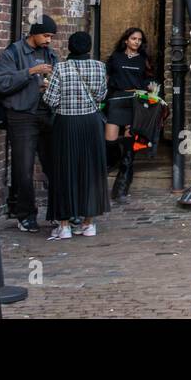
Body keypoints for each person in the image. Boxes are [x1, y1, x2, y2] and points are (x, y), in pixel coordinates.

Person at [0, 15, 59, 232]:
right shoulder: (13, 52)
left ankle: (58, 213)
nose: (49, 40)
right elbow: (2, 83)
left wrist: (48, 86)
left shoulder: (50, 54)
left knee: (54, 165)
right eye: (45, 35)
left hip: (46, 113)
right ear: (33, 33)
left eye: (51, 36)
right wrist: (31, 72)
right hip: (22, 116)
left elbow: (56, 80)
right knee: (23, 168)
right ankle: (26, 215)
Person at [42, 32, 110, 239]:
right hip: (91, 123)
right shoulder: (99, 67)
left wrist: (47, 87)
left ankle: (64, 226)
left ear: (70, 47)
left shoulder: (61, 68)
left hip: (66, 123)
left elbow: (51, 100)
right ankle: (88, 224)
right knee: (90, 171)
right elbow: (101, 95)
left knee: (64, 170)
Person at [104, 27, 152, 200]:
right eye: (133, 39)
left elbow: (148, 80)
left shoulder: (144, 60)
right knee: (110, 139)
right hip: (117, 99)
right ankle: (115, 159)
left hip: (135, 101)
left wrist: (150, 88)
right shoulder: (115, 58)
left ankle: (122, 184)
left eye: (139, 40)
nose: (136, 42)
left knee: (130, 143)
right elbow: (106, 78)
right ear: (126, 40)